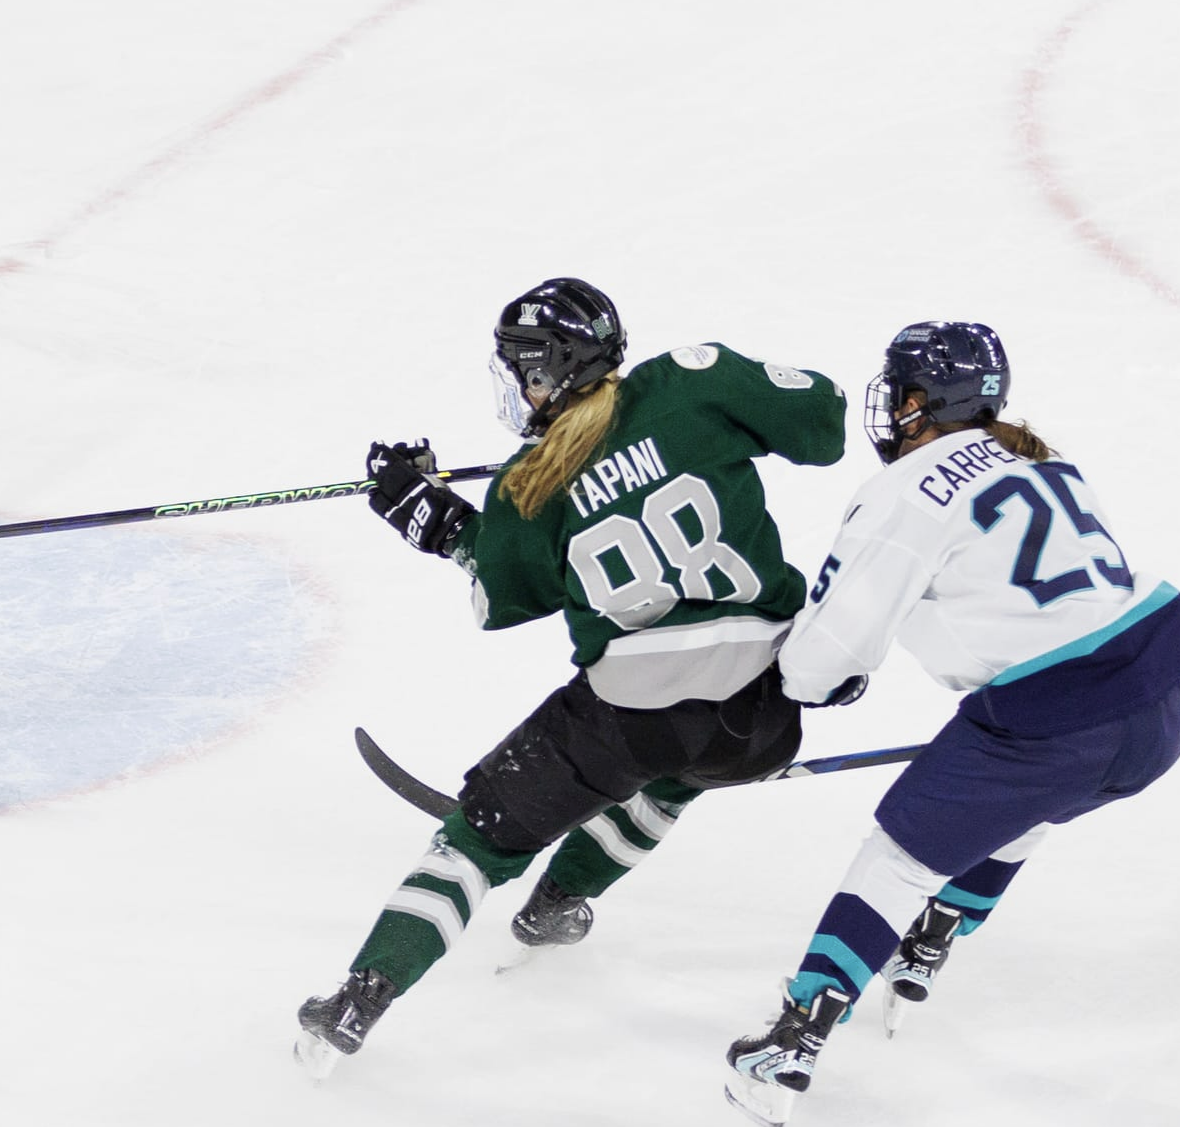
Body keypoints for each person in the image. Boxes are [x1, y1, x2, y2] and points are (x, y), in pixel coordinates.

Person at [294, 277, 848, 1077]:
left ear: (551, 370)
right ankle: (557, 905)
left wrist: (441, 520)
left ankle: (357, 1002)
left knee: (474, 844)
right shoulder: (691, 381)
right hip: (763, 714)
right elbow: (824, 426)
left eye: (522, 366)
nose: (518, 384)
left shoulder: (526, 484)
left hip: (629, 717)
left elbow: (504, 597)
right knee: (680, 776)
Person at [723, 321, 1180, 1127]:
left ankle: (792, 1042)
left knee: (898, 858)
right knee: (1035, 807)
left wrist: (811, 684)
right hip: (1155, 709)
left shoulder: (907, 489)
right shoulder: (1040, 459)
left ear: (918, 403)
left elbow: (827, 654)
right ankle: (936, 934)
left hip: (1053, 719)